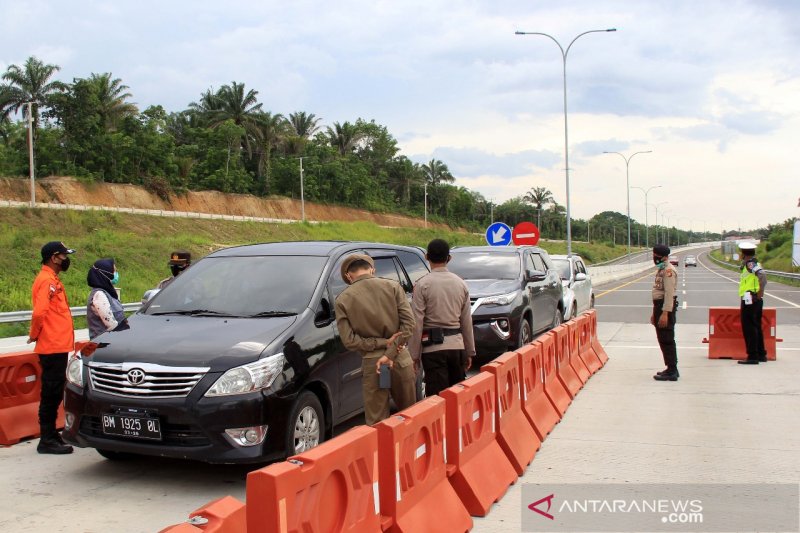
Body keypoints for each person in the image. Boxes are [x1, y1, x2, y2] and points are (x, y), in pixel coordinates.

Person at [334, 254, 417, 425]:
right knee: (410, 416)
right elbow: (409, 325)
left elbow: (349, 341)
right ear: (372, 269)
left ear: (349, 276)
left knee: (377, 421)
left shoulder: (342, 299)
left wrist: (380, 344)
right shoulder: (393, 287)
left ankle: (384, 452)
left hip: (373, 364)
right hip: (400, 358)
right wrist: (391, 349)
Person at [409, 238, 476, 397]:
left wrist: (414, 355)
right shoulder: (461, 284)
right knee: (456, 396)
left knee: (437, 398)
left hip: (432, 350)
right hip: (457, 347)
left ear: (427, 257)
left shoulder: (422, 285)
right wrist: (469, 351)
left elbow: (417, 322)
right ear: (449, 258)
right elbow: (466, 321)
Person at [28, 241, 76, 454]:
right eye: (64, 256)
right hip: (52, 345)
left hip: (57, 344)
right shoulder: (46, 280)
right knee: (51, 392)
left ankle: (51, 435)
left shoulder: (52, 279)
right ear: (54, 257)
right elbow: (39, 313)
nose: (66, 260)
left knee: (55, 390)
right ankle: (46, 438)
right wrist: (34, 334)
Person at [651, 243, 679, 381]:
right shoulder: (662, 269)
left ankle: (672, 370)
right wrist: (654, 313)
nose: (654, 257)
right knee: (662, 338)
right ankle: (670, 368)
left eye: (656, 255)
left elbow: (669, 293)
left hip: (664, 307)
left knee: (667, 339)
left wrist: (665, 313)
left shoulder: (668, 270)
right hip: (659, 306)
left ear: (664, 257)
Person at [737, 242, 768, 365]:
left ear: (743, 253)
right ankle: (761, 354)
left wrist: (760, 292)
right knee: (756, 326)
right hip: (754, 298)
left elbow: (763, 276)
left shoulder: (751, 264)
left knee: (749, 327)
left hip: (751, 298)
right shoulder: (750, 263)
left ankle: (752, 356)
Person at [86, 258, 128, 339]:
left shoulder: (108, 293)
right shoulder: (99, 294)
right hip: (103, 344)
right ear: (105, 273)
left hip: (113, 341)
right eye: (114, 271)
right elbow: (111, 324)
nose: (116, 274)